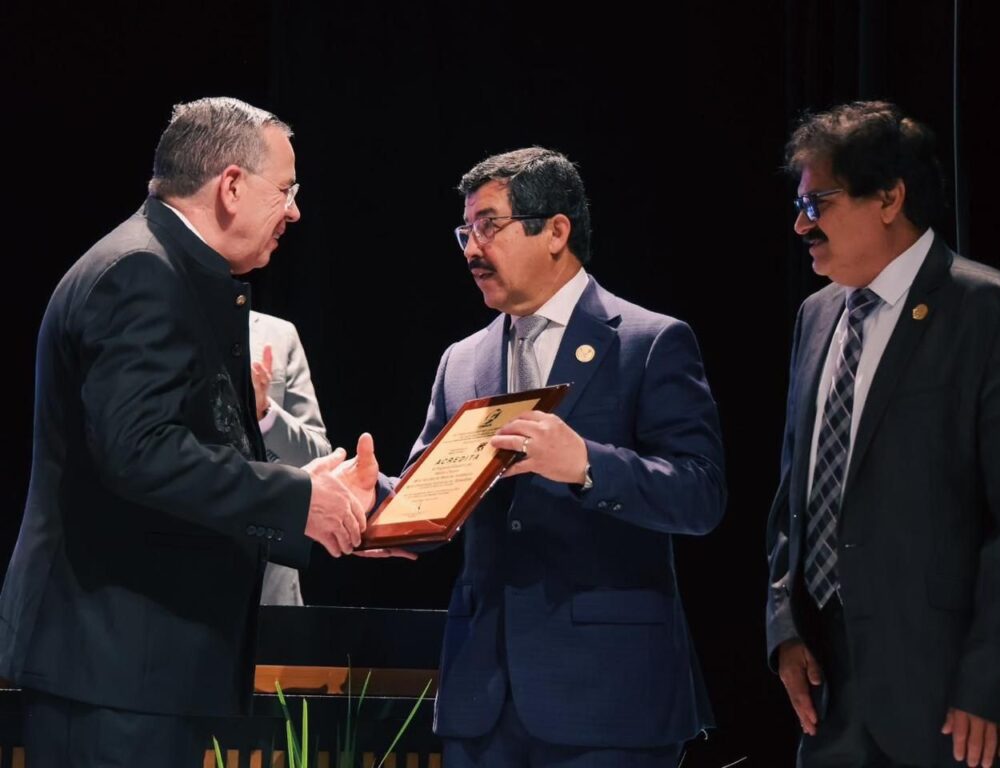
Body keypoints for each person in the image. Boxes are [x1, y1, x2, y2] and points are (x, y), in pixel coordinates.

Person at [0, 97, 368, 766]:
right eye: (285, 190)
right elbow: (139, 451)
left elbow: (181, 439)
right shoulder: (141, 272)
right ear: (231, 186)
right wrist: (294, 499)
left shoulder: (168, 268)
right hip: (116, 667)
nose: (294, 212)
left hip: (139, 668)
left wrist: (301, 482)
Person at [344, 147, 726, 767]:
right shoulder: (462, 360)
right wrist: (381, 500)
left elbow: (700, 494)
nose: (472, 249)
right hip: (482, 698)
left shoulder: (649, 341)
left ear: (555, 231)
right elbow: (436, 494)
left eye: (488, 226)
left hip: (608, 698)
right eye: (465, 232)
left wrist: (587, 464)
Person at [766, 101, 1000, 768]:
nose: (801, 225)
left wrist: (991, 682)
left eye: (817, 203)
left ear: (888, 198)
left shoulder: (990, 311)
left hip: (948, 703)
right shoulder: (815, 316)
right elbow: (794, 495)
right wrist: (784, 625)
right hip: (828, 698)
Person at [250, 310, 334, 605]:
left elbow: (318, 458)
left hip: (270, 586)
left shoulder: (279, 334)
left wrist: (265, 414)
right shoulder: (165, 321)